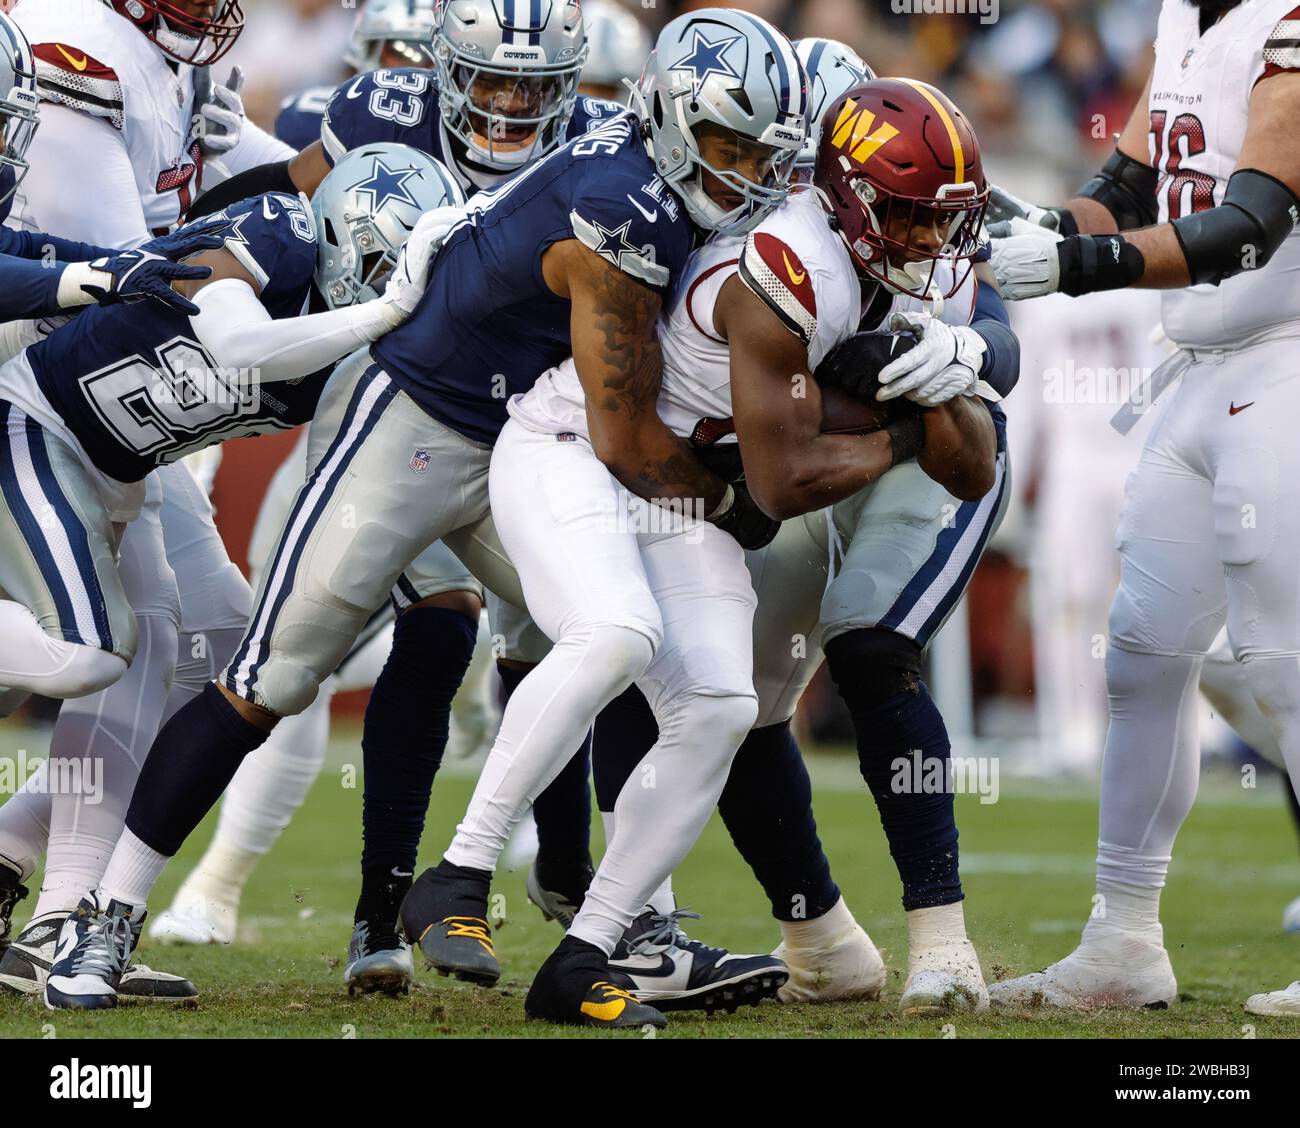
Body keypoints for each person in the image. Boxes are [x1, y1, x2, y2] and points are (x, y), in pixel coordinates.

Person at [986, 0, 1300, 1019]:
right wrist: (1038, 223)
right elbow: (1127, 183)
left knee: (1283, 661)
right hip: (1197, 368)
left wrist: (1080, 269)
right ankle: (1122, 937)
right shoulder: (1181, 13)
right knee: (1142, 651)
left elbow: (1250, 225)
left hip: (1284, 360)